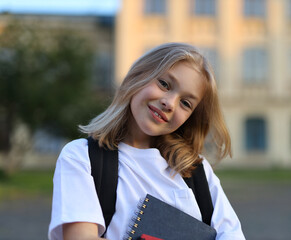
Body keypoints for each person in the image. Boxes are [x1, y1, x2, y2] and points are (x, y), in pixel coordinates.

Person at [48, 42, 246, 240]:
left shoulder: (196, 171)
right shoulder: (82, 158)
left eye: (185, 103)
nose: (169, 103)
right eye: (164, 84)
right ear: (138, 75)